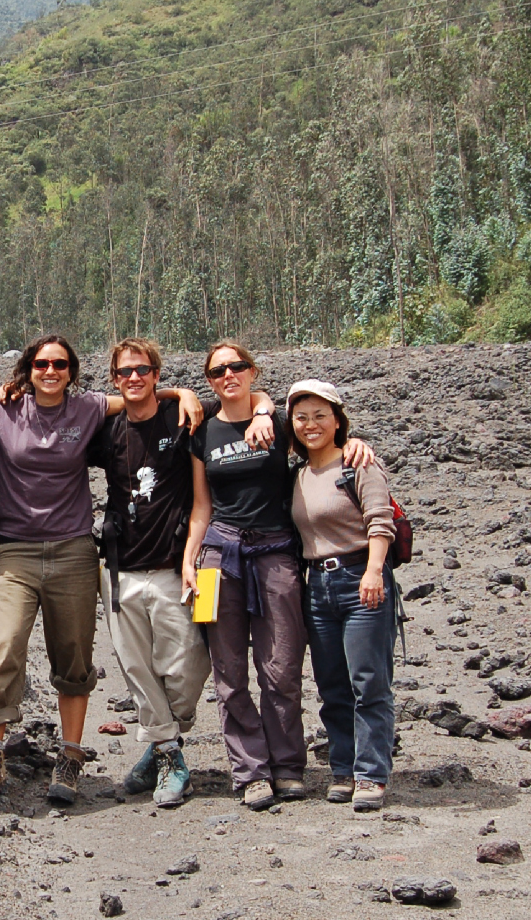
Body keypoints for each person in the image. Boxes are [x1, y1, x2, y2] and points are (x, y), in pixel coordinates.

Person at [0, 335, 198, 804]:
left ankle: (69, 756)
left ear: (72, 371)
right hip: (15, 550)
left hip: (74, 552)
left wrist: (180, 392)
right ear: (28, 368)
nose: (51, 370)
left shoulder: (87, 409)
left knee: (74, 655)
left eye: (60, 364)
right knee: (4, 648)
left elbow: (137, 393)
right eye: (42, 363)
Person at [187, 341, 372, 810]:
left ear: (252, 372)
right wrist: (189, 561)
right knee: (228, 673)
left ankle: (289, 767)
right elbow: (201, 507)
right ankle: (250, 771)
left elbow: (322, 441)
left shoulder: (282, 424)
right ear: (209, 380)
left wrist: (354, 443)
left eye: (237, 367)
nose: (229, 375)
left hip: (276, 554)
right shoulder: (202, 433)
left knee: (283, 667)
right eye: (218, 370)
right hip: (218, 555)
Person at [91, 338, 216, 808]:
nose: (134, 378)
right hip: (122, 568)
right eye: (125, 372)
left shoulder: (182, 420)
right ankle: (168, 755)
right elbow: (59, 411)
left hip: (174, 566)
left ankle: (163, 739)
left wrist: (182, 393)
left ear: (157, 375)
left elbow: (243, 403)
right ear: (115, 379)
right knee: (137, 668)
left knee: (188, 664)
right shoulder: (107, 431)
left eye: (143, 370)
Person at [287, 379, 396, 812]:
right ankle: (343, 769)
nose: (310, 425)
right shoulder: (295, 474)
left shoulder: (359, 464)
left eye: (320, 416)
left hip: (360, 579)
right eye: (301, 417)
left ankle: (371, 775)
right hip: (318, 586)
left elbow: (380, 521)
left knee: (368, 682)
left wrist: (373, 571)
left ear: (337, 421)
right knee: (332, 685)